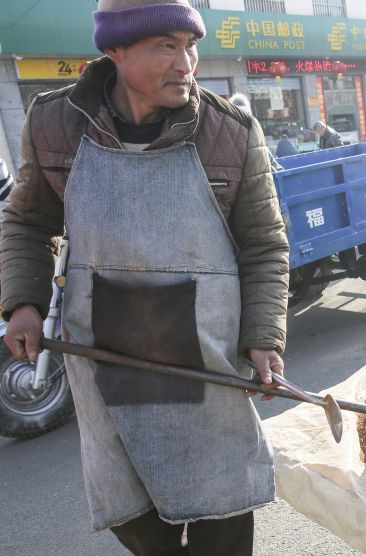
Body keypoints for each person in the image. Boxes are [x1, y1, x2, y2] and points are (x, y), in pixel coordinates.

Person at [0, 0, 290, 552]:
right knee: (133, 520)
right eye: (166, 47)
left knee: (222, 519)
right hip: (105, 359)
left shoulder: (229, 132)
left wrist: (262, 338)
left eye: (191, 46)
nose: (187, 64)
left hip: (207, 364)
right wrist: (23, 302)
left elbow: (264, 246)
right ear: (114, 50)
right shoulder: (55, 123)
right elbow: (26, 219)